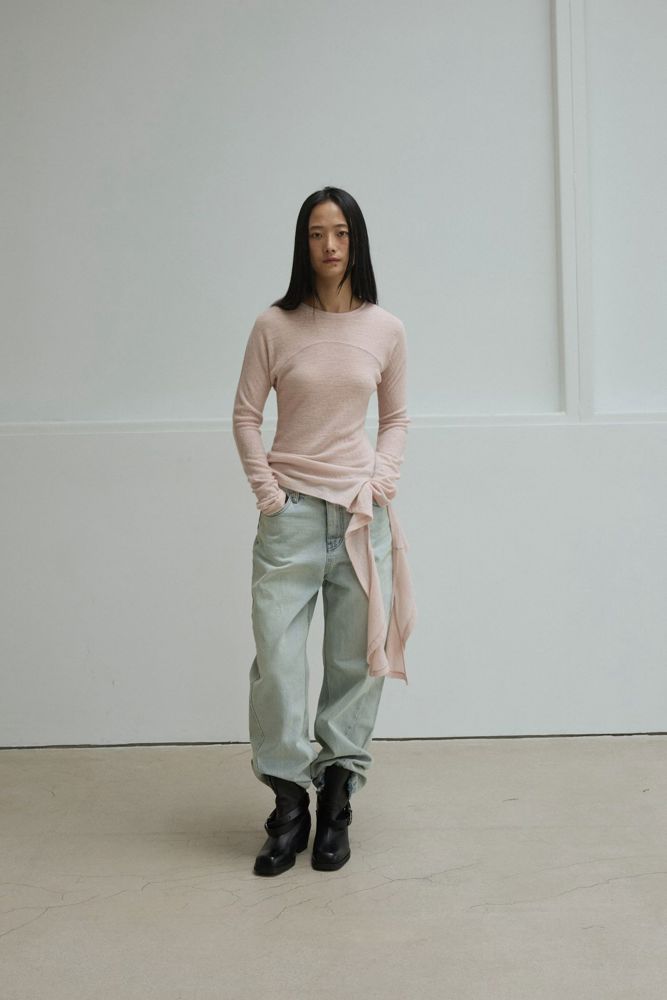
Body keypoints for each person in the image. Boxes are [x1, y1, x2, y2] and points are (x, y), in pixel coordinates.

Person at [232, 186, 417, 877]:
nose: (329, 245)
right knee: (278, 666)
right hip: (292, 518)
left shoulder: (385, 329)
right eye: (316, 233)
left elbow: (396, 418)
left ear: (355, 240)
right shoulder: (274, 325)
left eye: (340, 232)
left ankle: (336, 801)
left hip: (360, 518)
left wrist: (381, 481)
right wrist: (269, 495)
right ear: (302, 243)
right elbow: (245, 415)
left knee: (353, 666)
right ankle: (288, 807)